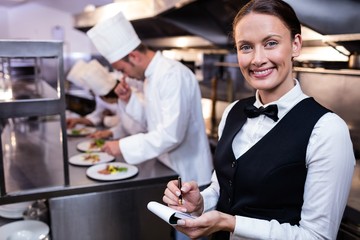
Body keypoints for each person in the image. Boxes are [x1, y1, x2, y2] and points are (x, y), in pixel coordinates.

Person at [162, 0, 356, 239]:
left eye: (271, 43)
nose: (257, 59)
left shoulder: (327, 130)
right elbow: (223, 187)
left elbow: (317, 236)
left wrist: (231, 223)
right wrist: (201, 202)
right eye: (246, 47)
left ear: (295, 45)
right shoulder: (234, 111)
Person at [86, 12, 213, 187]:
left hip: (190, 175)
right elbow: (151, 123)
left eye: (122, 70)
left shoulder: (171, 74)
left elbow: (171, 135)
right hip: (168, 170)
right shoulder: (150, 78)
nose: (124, 76)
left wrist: (123, 146)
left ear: (134, 57)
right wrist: (129, 99)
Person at [66, 59, 145, 139]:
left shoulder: (133, 96)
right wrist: (110, 132)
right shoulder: (121, 101)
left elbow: (141, 129)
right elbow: (125, 126)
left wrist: (107, 120)